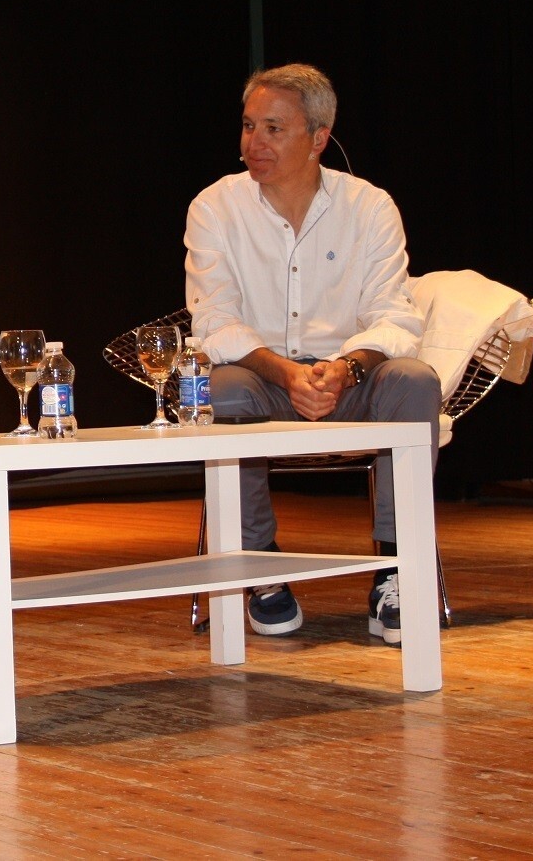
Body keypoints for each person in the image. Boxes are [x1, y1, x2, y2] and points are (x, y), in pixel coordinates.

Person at [183, 63, 441, 644]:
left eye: (273, 128)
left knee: (414, 379)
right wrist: (286, 371)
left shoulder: (369, 207)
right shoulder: (215, 207)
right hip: (263, 378)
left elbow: (395, 315)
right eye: (249, 126)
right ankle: (260, 566)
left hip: (348, 380)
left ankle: (395, 571)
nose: (254, 143)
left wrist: (345, 369)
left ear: (318, 138)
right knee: (219, 390)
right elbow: (213, 319)